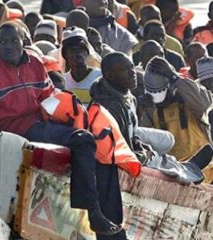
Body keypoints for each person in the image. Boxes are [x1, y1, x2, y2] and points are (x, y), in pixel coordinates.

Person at [0, 22, 124, 237]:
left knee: (91, 140)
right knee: (83, 140)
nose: (7, 46)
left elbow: (50, 99)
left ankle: (95, 212)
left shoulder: (34, 63)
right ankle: (93, 212)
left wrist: (73, 118)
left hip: (38, 124)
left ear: (23, 42)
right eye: (2, 41)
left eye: (13, 41)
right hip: (8, 132)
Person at [90, 53, 211, 184]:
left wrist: (174, 77)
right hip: (153, 166)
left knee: (167, 140)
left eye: (132, 67)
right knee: (160, 154)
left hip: (207, 171)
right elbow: (125, 143)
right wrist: (144, 151)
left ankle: (184, 168)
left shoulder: (187, 98)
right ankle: (183, 169)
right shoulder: (123, 104)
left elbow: (205, 104)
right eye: (125, 70)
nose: (132, 73)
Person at [141, 56, 213, 163]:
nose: (161, 102)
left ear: (172, 86)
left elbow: (205, 104)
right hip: (172, 171)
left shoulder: (188, 96)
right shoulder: (151, 109)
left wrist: (175, 78)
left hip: (205, 168)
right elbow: (144, 141)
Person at [62, 27, 102, 105]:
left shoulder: (100, 78)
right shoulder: (63, 81)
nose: (78, 54)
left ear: (87, 53)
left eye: (81, 49)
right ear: (66, 55)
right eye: (73, 50)